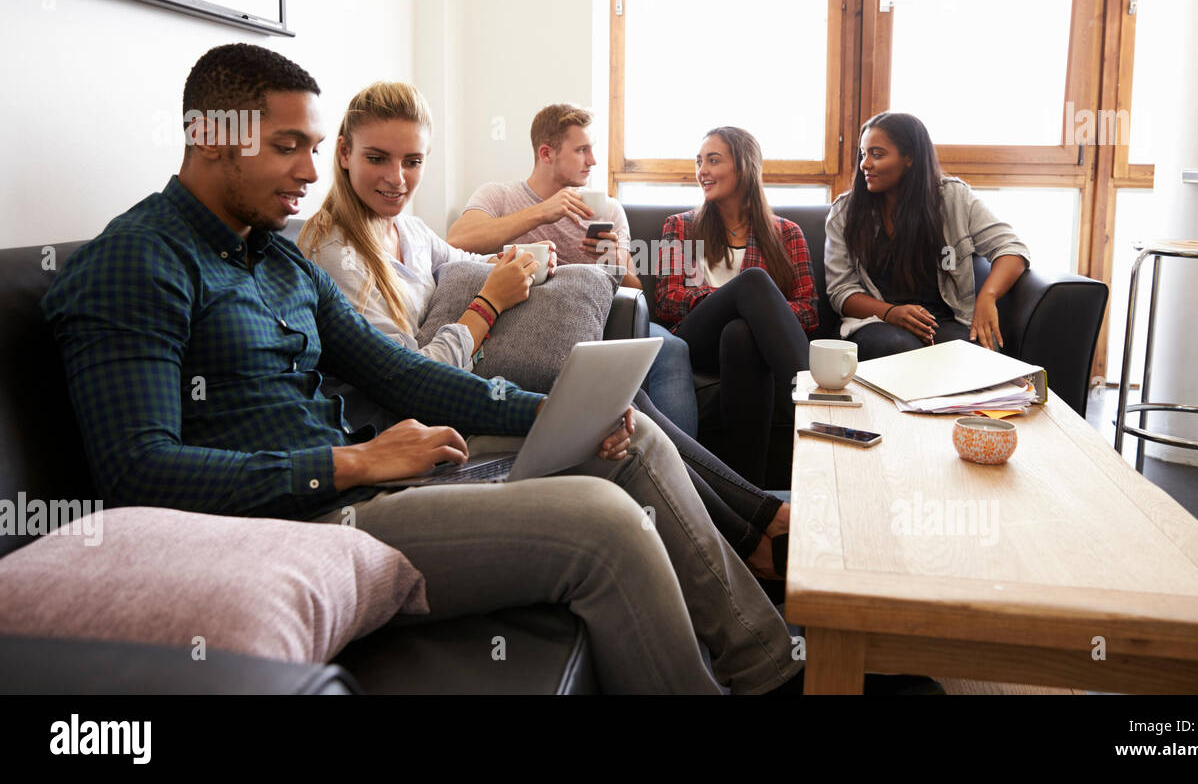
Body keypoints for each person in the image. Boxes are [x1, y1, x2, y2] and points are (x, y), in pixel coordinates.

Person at [39, 44, 802, 695]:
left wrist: (551, 414)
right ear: (209, 137)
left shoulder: (271, 256)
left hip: (371, 478)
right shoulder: (136, 264)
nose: (311, 170)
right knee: (604, 526)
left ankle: (772, 665)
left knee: (627, 438)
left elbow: (403, 377)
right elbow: (138, 474)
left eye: (313, 145)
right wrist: (348, 462)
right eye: (288, 146)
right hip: (302, 518)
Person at [298, 81, 790, 580]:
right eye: (379, 158)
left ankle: (762, 520)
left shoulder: (410, 231)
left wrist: (525, 265)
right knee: (622, 426)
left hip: (469, 386)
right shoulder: (337, 257)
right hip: (423, 426)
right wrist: (490, 301)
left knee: (629, 405)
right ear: (343, 153)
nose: (398, 179)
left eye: (413, 162)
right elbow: (408, 381)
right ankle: (755, 539)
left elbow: (470, 261)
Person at [446, 104, 699, 439]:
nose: (593, 160)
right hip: (524, 323)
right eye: (582, 150)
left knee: (670, 347)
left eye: (592, 150)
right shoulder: (499, 195)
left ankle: (673, 467)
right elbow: (458, 239)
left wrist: (611, 257)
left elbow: (635, 290)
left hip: (602, 320)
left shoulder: (606, 208)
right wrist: (542, 213)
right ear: (546, 153)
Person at [655, 127, 818, 488]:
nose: (703, 171)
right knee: (754, 282)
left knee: (741, 333)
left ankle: (751, 501)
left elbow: (809, 311)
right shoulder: (680, 227)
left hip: (747, 348)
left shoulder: (786, 233)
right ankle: (814, 398)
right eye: (699, 162)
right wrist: (730, 299)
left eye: (714, 160)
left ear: (744, 168)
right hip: (697, 342)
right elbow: (667, 298)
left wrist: (753, 314)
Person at [824, 112, 1030, 361]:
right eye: (863, 154)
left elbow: (1011, 248)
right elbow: (841, 291)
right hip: (875, 321)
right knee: (900, 348)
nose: (865, 164)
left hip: (942, 321)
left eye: (877, 154)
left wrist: (988, 296)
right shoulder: (844, 212)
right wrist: (891, 312)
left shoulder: (954, 198)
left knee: (974, 356)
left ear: (909, 158)